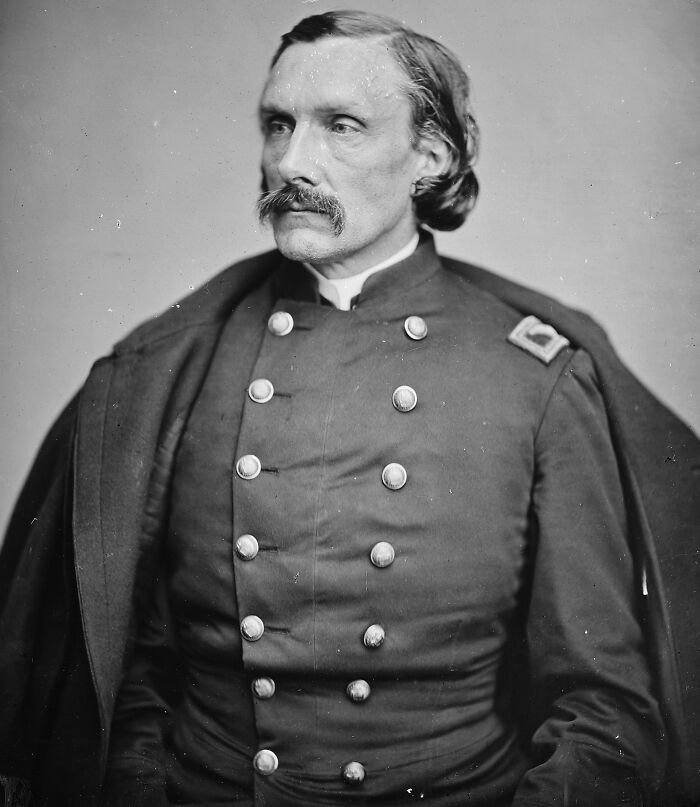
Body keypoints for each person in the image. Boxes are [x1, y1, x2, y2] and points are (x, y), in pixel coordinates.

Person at [1, 10, 698, 807]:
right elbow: (131, 678)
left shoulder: (534, 375)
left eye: (341, 126)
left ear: (429, 158)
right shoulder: (172, 366)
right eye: (277, 124)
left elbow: (602, 709)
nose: (291, 162)